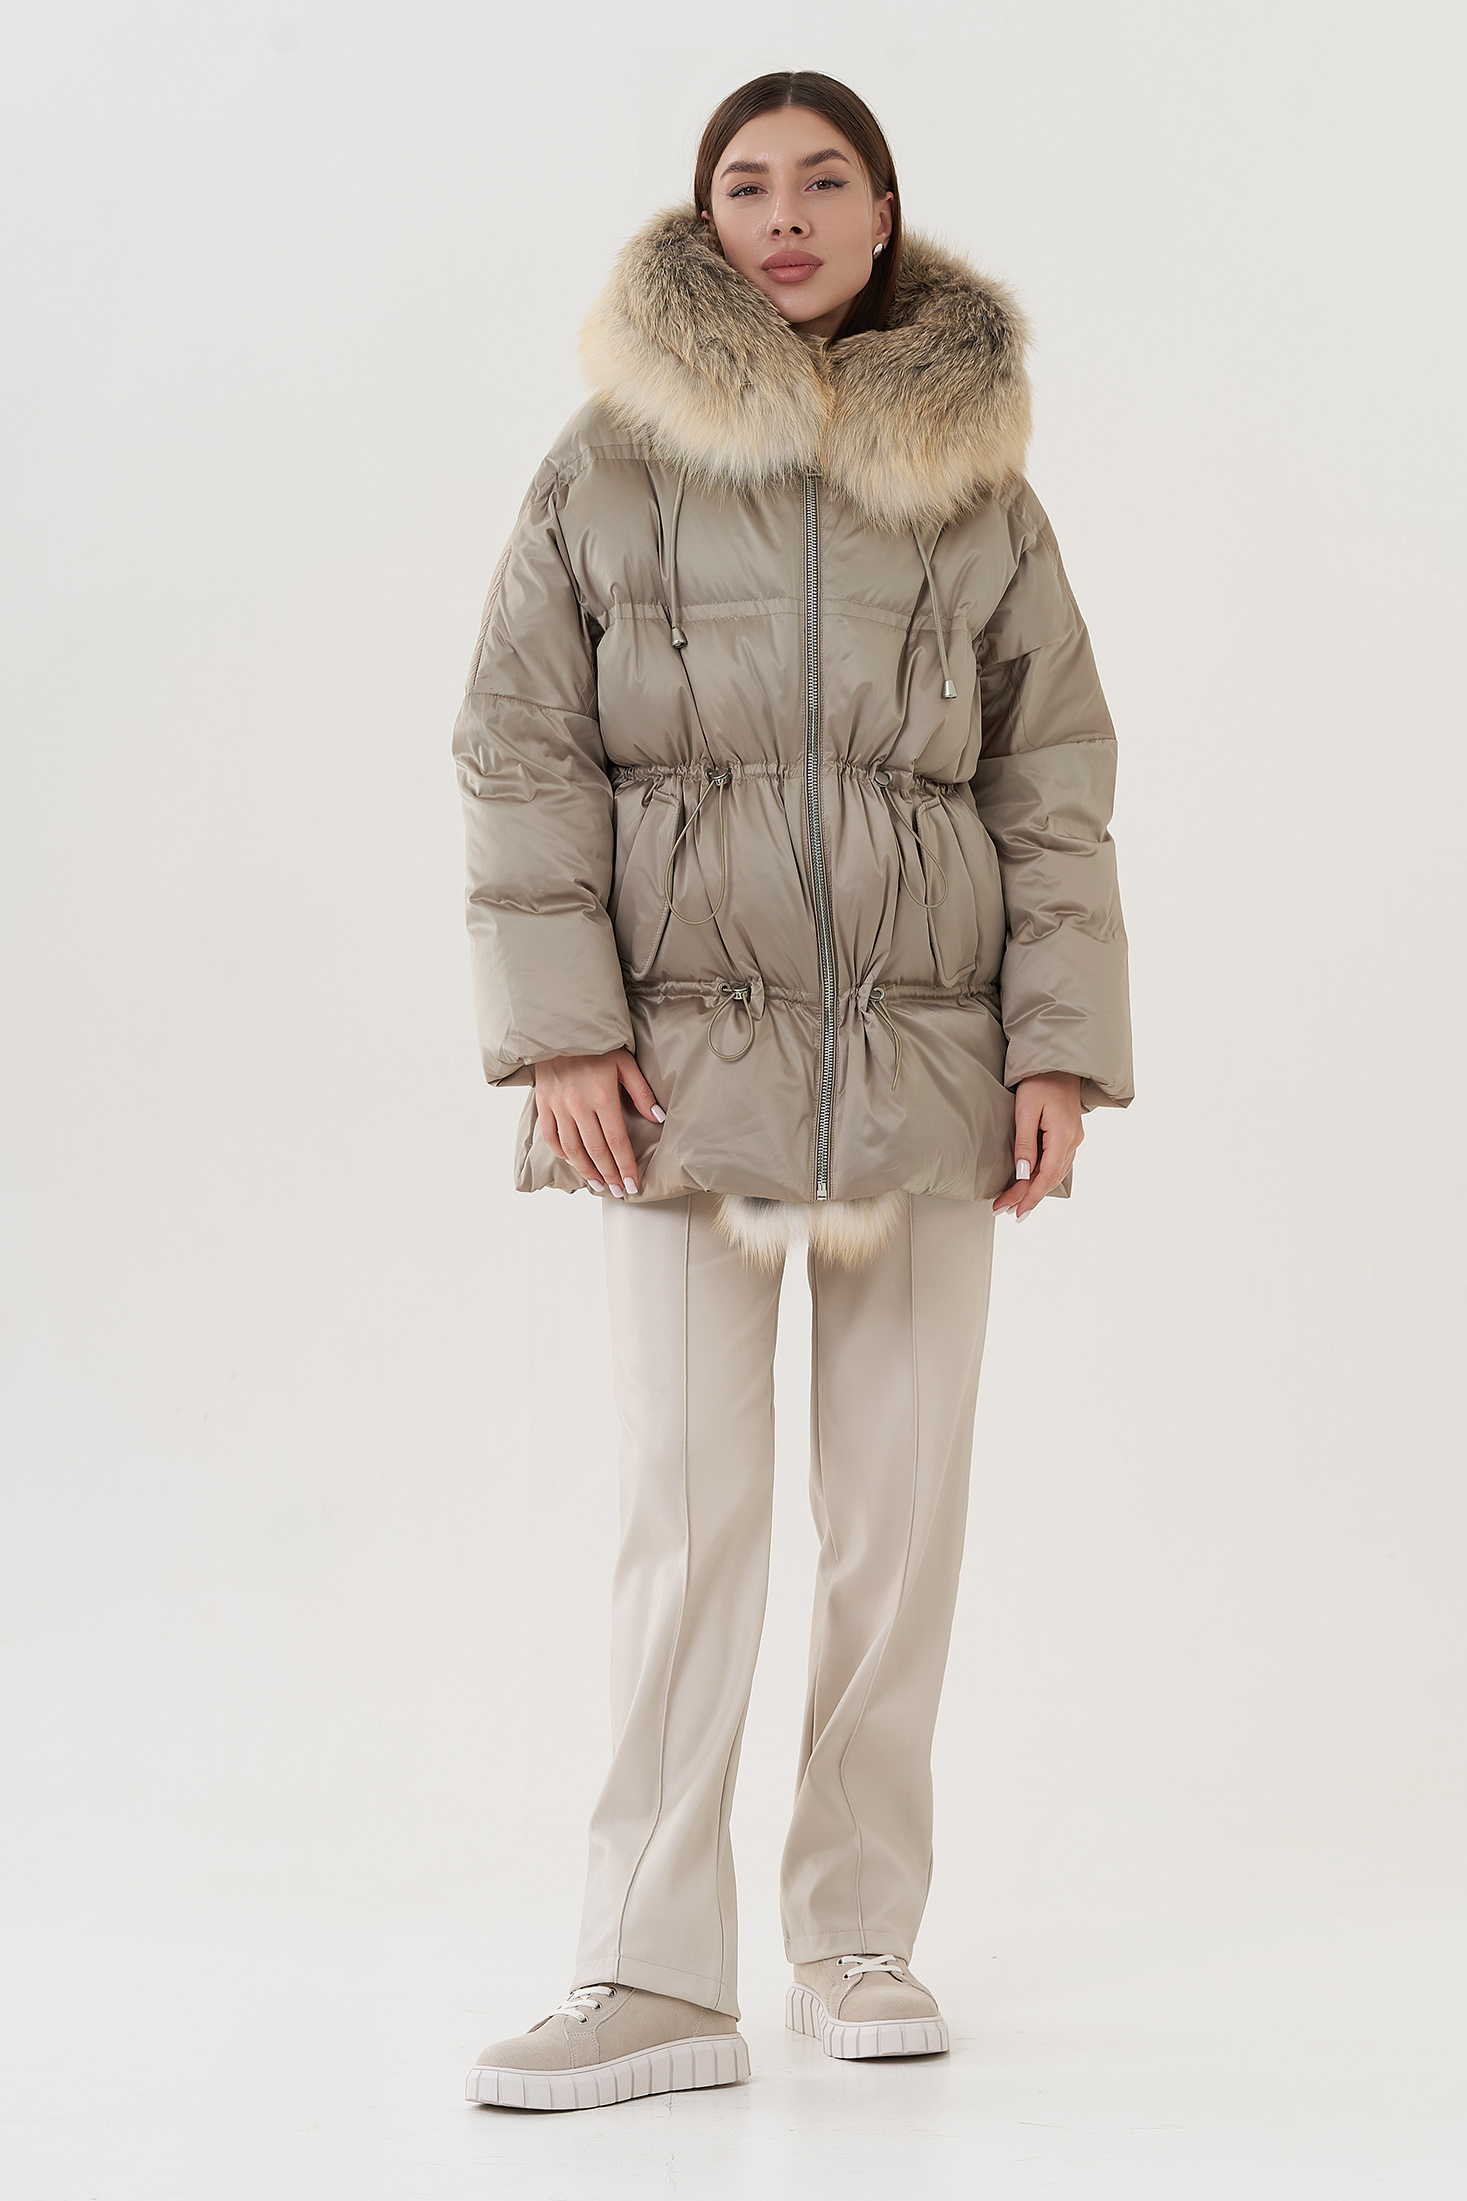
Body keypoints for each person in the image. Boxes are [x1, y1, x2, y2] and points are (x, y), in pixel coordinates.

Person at [452, 69, 1133, 2114]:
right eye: (745, 185)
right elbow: (520, 746)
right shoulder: (610, 461)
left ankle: (853, 1932)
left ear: (881, 212)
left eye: (822, 181)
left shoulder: (976, 481)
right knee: (688, 1523)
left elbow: (1052, 773)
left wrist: (1056, 1042)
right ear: (704, 222)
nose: (783, 215)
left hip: (927, 1074)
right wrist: (562, 1026)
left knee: (893, 1530)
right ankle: (651, 1971)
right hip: (675, 1084)